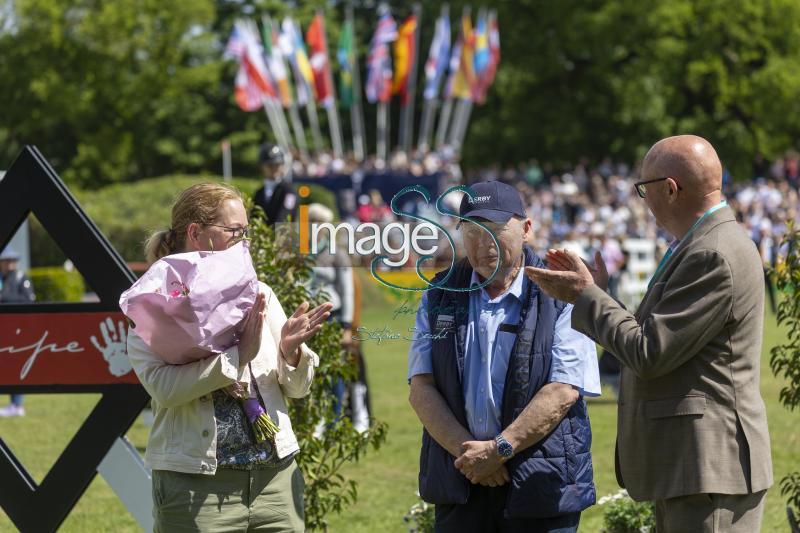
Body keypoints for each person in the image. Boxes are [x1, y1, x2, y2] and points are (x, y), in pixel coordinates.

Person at [528, 135, 773, 532]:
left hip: (708, 468)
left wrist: (584, 296)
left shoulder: (710, 252)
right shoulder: (702, 243)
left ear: (671, 189)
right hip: (695, 467)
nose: (643, 199)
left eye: (644, 189)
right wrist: (599, 295)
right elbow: (661, 338)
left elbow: (649, 351)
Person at [127, 183, 332, 532]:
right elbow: (163, 390)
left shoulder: (259, 293)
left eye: (246, 232)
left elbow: (296, 390)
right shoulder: (152, 304)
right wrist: (237, 357)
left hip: (276, 483)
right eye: (235, 232)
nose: (246, 242)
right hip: (196, 490)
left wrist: (290, 353)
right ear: (196, 233)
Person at [407, 181, 600, 532]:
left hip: (542, 483)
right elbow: (421, 387)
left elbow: (564, 389)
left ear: (526, 229)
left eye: (496, 231)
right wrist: (471, 455)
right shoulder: (438, 294)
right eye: (473, 231)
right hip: (461, 482)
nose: (485, 245)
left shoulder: (563, 291)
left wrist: (498, 450)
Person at [0, 246, 35, 418]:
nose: (9, 264)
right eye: (6, 261)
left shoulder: (21, 278)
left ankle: (17, 404)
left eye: (12, 261)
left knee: (17, 365)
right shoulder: (2, 279)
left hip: (19, 331)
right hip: (3, 329)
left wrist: (4, 300)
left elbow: (28, 300)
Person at [252, 143, 298, 226]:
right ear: (261, 166)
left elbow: (285, 215)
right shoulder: (259, 192)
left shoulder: (289, 191)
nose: (274, 168)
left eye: (277, 165)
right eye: (270, 165)